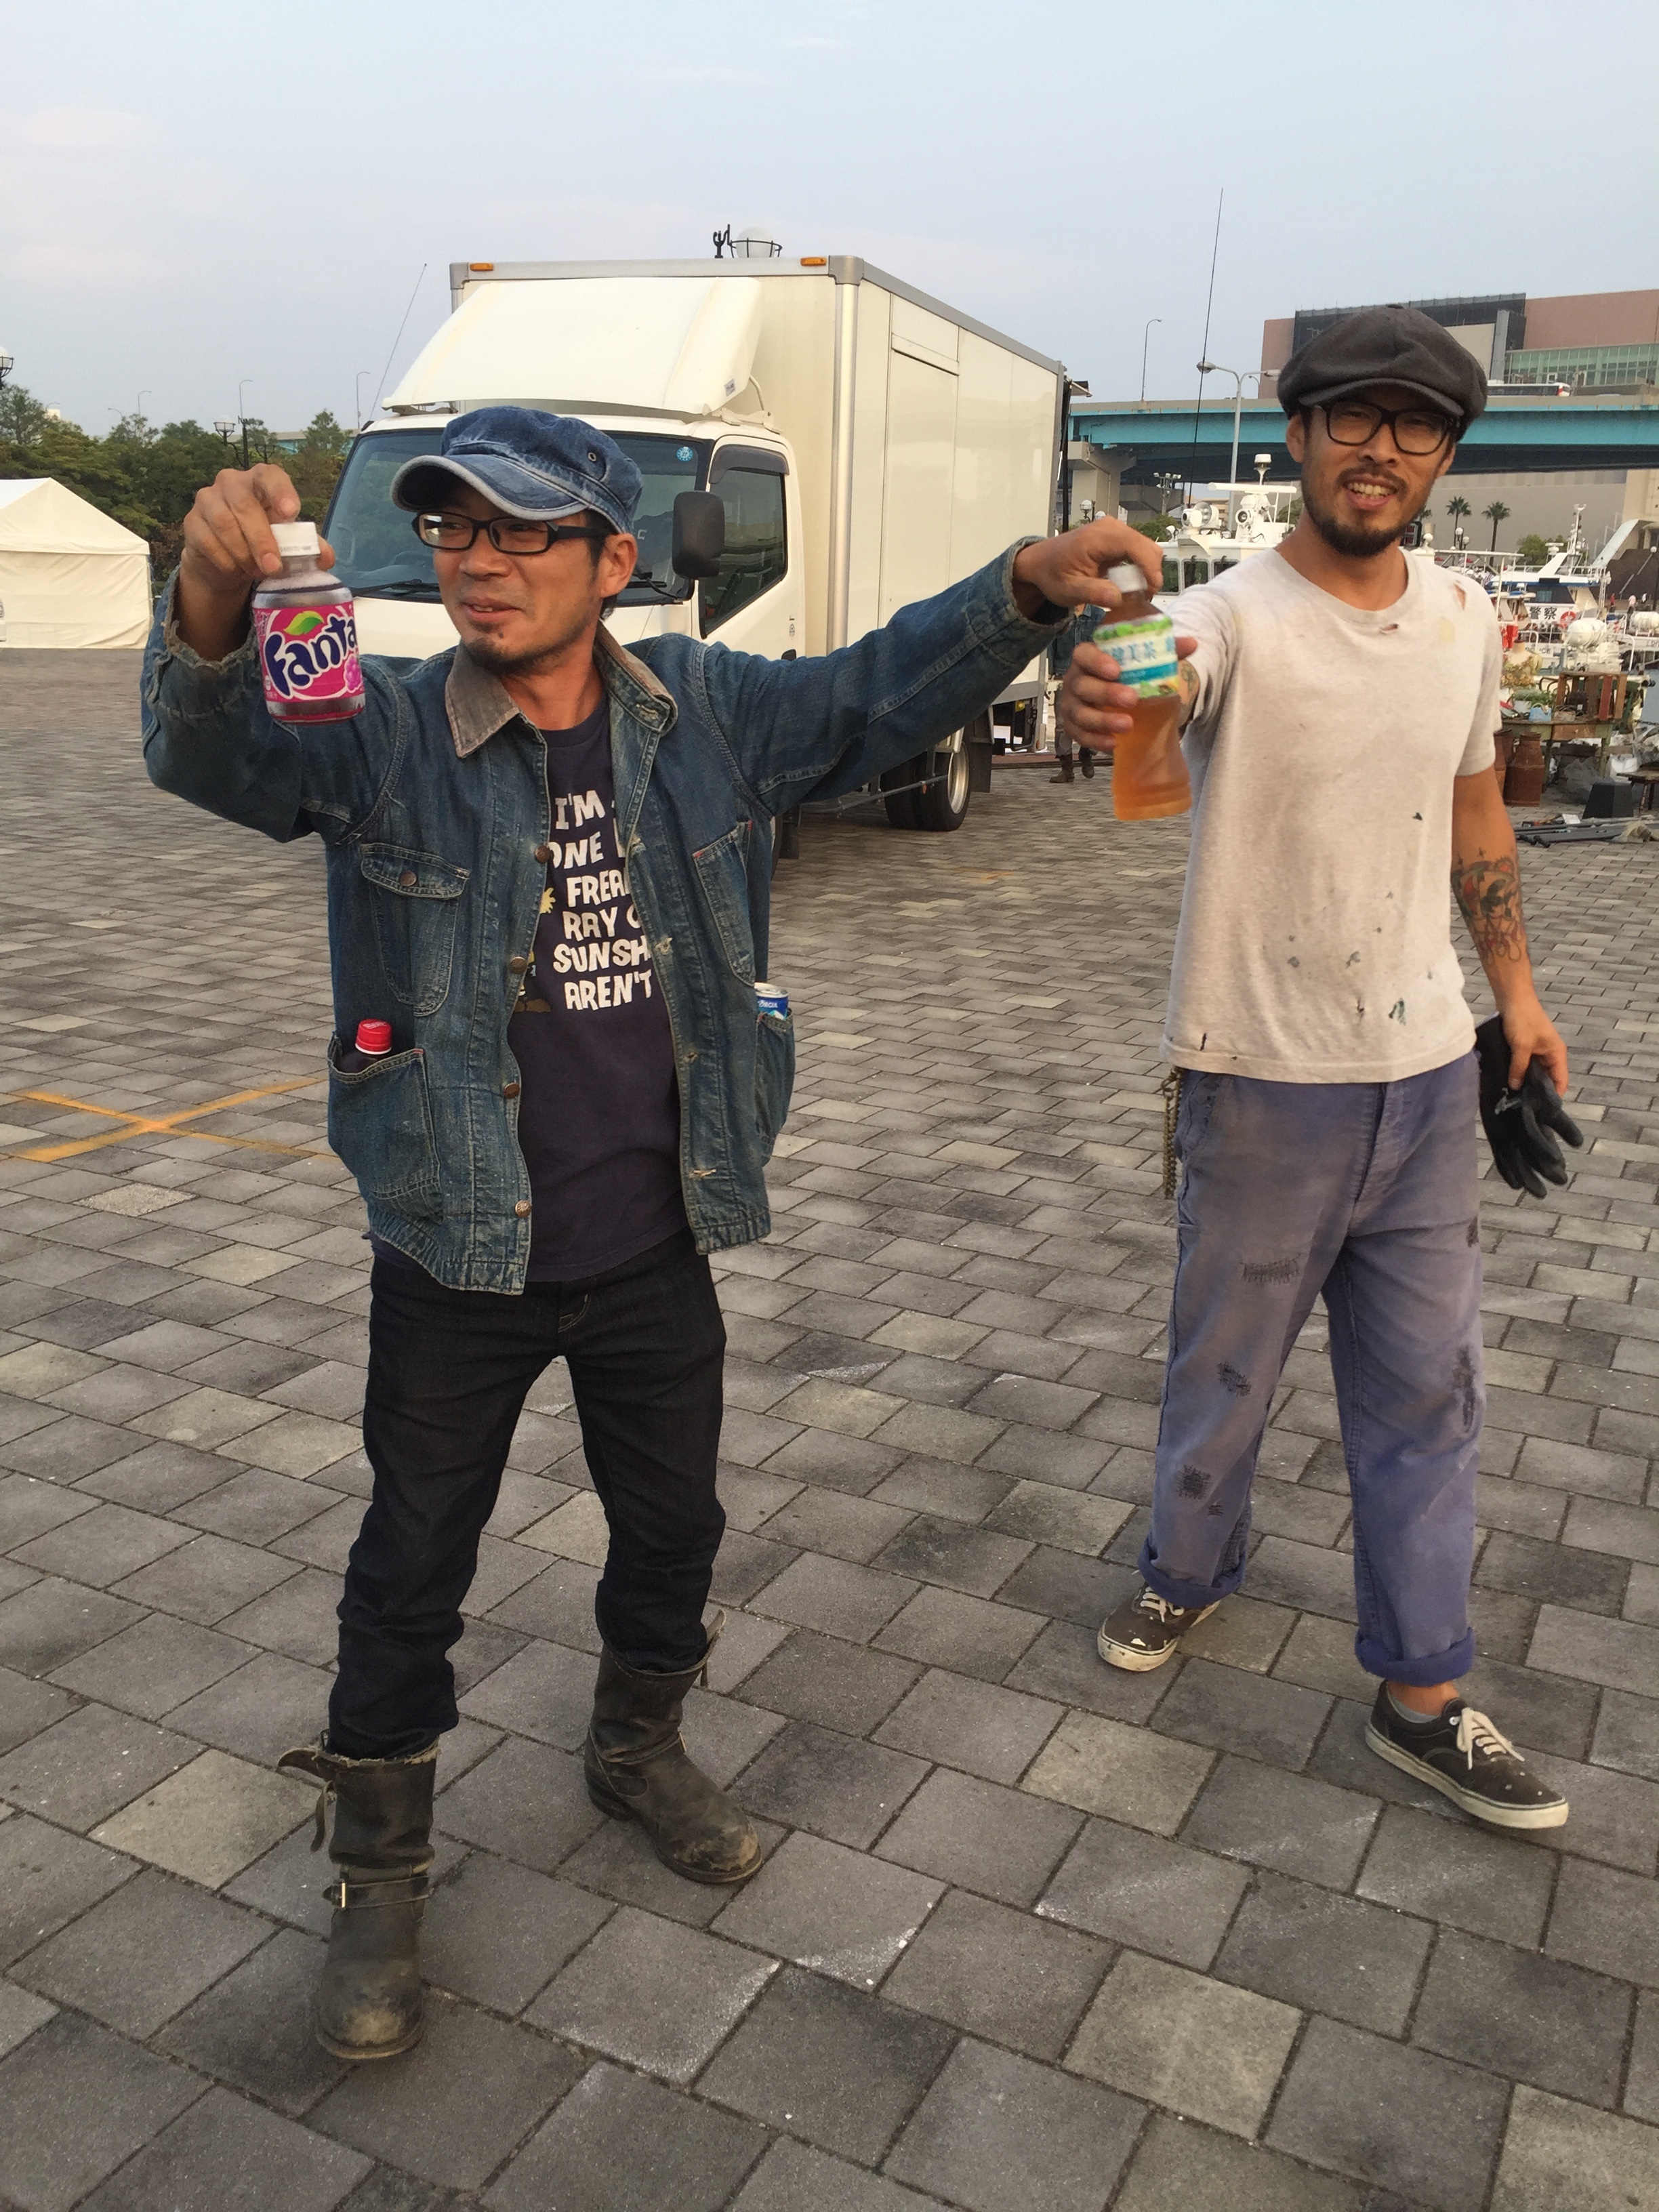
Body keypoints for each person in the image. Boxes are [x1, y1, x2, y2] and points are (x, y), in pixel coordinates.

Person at [143, 405, 1159, 2057]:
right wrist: (205, 600)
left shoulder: (709, 716)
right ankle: (378, 1867)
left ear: (615, 561)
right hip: (457, 1251)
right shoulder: (382, 731)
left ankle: (636, 1748)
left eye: (520, 531)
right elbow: (217, 756)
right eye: (453, 528)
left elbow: (879, 690)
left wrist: (1028, 584)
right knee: (409, 1570)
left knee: (675, 1531)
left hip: (653, 1240)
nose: (476, 561)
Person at [1060, 307, 1572, 1834]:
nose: (1381, 449)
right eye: (1352, 417)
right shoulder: (1230, 616)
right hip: (1261, 1077)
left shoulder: (1466, 617)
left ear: (1445, 455)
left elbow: (1478, 809)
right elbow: (1161, 679)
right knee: (1221, 1374)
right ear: (1299, 435)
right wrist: (1122, 687)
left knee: (1429, 1399)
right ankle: (1185, 1570)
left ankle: (1424, 1695)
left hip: (1427, 1082)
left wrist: (1517, 1000)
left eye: (1417, 427)